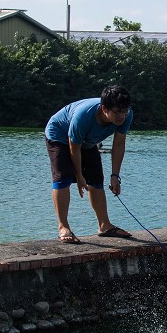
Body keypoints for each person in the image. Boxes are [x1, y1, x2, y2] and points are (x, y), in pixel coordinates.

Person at [45, 84, 134, 244]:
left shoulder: (127, 115)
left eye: (125, 110)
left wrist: (115, 175)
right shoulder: (83, 116)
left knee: (96, 179)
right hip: (59, 134)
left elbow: (119, 144)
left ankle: (104, 226)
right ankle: (63, 227)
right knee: (63, 177)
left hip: (86, 141)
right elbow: (74, 146)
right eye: (118, 112)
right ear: (104, 109)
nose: (122, 116)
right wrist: (79, 175)